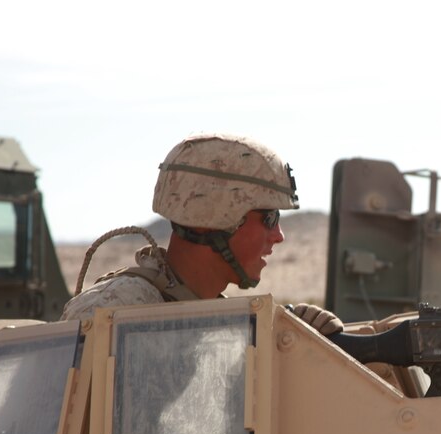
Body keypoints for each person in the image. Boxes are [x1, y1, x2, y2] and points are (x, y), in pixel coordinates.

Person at [60, 133, 342, 334]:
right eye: (269, 218)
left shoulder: (215, 319)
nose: (279, 235)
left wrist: (300, 342)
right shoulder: (112, 311)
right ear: (213, 219)